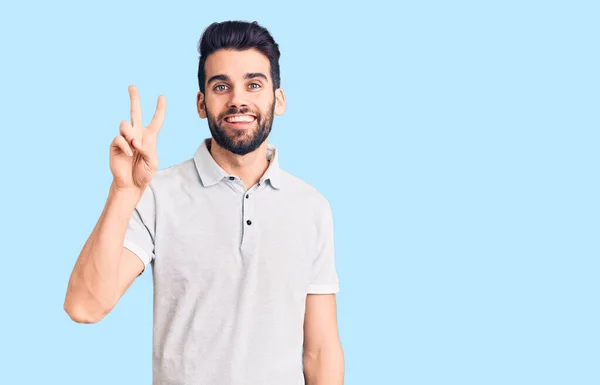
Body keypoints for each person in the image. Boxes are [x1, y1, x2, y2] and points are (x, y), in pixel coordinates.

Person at [64, 20, 344, 385]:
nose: (238, 99)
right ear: (201, 103)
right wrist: (123, 191)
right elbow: (85, 305)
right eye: (221, 86)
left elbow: (320, 351)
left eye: (254, 84)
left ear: (279, 99)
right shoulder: (158, 195)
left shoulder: (311, 207)